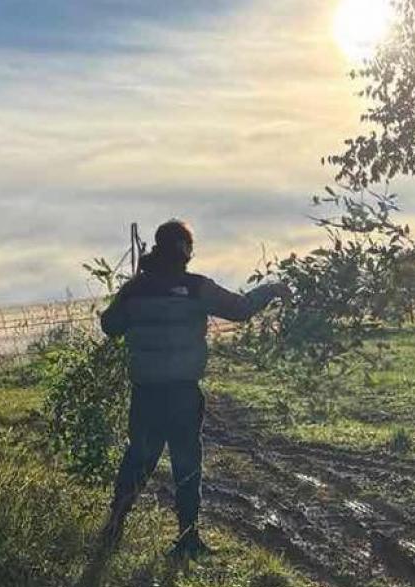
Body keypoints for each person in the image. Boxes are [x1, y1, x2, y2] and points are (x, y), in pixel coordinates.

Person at [99, 219, 282, 558]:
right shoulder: (196, 287)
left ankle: (114, 526)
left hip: (146, 393)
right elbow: (241, 309)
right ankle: (187, 538)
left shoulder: (135, 289)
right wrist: (271, 289)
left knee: (138, 458)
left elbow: (109, 326)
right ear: (186, 250)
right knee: (187, 463)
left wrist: (132, 295)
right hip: (183, 393)